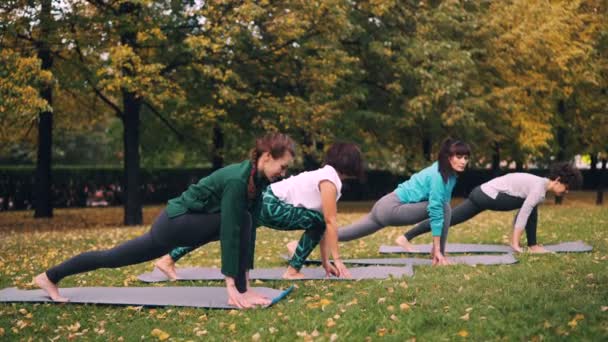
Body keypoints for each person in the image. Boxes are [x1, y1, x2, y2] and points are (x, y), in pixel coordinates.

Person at [34, 133, 296, 309]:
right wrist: (232, 288)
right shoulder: (238, 180)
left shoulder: (258, 181)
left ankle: (51, 276)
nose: (283, 174)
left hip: (183, 224)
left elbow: (248, 235)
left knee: (113, 257)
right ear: (266, 157)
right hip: (175, 222)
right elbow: (230, 231)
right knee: (112, 257)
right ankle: (49, 276)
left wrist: (245, 285)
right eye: (282, 167)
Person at [157, 142, 365, 280]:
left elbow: (321, 225)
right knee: (319, 221)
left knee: (222, 230)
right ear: (351, 163)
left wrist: (325, 262)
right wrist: (337, 261)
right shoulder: (330, 179)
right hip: (271, 204)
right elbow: (329, 222)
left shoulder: (325, 174)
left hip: (264, 199)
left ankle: (168, 260)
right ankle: (293, 270)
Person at [335, 138, 470, 265]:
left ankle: (320, 232)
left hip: (385, 206)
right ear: (448, 157)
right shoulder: (438, 176)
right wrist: (438, 249)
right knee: (443, 207)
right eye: (459, 157)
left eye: (466, 158)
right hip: (392, 208)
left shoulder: (448, 174)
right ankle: (439, 254)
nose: (463, 161)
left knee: (344, 234)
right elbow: (436, 210)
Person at [398, 162, 583, 253]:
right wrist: (515, 244)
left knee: (450, 218)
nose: (565, 192)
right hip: (486, 196)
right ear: (559, 180)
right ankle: (525, 244)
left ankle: (406, 237)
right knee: (529, 207)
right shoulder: (538, 188)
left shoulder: (538, 185)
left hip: (482, 193)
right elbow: (523, 214)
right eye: (566, 188)